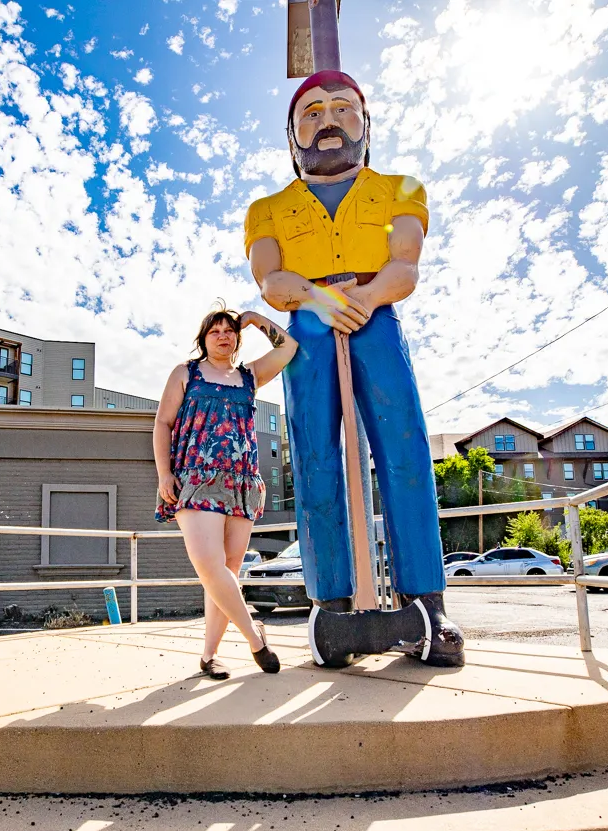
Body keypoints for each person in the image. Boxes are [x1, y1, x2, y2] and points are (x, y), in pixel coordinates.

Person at [243, 69, 464, 668]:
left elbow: (406, 266)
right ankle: (331, 601)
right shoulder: (268, 209)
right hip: (311, 330)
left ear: (366, 123)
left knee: (406, 449)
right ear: (293, 138)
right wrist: (322, 303)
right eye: (310, 114)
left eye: (342, 109)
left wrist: (363, 300)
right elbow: (272, 280)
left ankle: (426, 599)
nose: (328, 121)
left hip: (377, 316)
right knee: (314, 456)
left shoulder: (401, 188)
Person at [154, 303, 299, 679]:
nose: (223, 335)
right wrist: (164, 474)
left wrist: (254, 319)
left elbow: (288, 348)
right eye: (215, 330)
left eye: (230, 330)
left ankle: (208, 656)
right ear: (203, 339)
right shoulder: (186, 373)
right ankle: (255, 636)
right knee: (210, 567)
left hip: (241, 481)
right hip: (196, 477)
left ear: (237, 339)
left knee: (228, 573)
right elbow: (163, 423)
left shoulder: (249, 376)